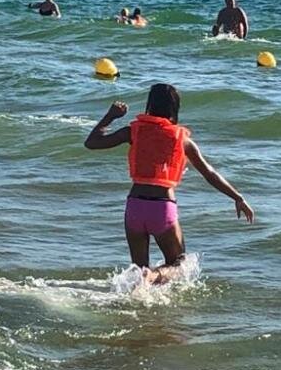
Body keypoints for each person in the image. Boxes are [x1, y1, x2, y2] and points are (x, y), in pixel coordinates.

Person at [83, 84, 255, 282]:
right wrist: (237, 197)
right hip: (162, 207)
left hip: (135, 206)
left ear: (150, 105)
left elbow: (92, 143)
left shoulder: (133, 132)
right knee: (180, 265)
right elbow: (209, 172)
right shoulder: (182, 140)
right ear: (175, 108)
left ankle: (142, 296)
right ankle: (154, 275)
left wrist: (110, 116)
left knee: (138, 273)